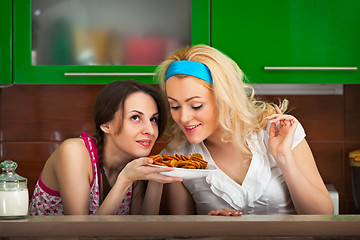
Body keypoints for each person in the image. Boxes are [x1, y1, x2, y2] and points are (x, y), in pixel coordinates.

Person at [154, 44, 334, 215]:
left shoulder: (280, 132)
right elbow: (182, 233)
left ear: (224, 98)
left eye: (196, 105)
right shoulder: (177, 158)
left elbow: (323, 216)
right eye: (175, 106)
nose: (183, 118)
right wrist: (210, 224)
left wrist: (284, 158)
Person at [28, 80, 182, 215]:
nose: (150, 129)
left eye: (153, 119)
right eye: (135, 117)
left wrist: (158, 178)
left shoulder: (134, 162)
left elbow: (141, 232)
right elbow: (80, 235)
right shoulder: (74, 152)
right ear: (106, 124)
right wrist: (125, 179)